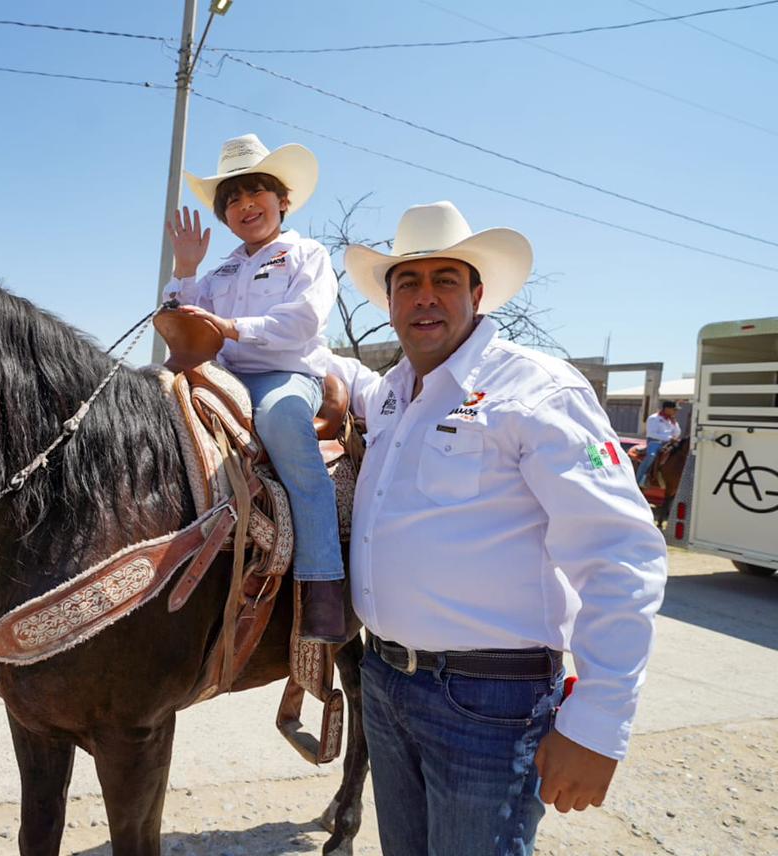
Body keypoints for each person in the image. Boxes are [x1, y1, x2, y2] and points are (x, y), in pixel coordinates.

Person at [329, 200, 668, 855]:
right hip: (387, 683)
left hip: (489, 704)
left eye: (444, 280)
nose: (424, 297)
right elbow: (340, 372)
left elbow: (619, 552)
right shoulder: (398, 392)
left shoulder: (536, 389)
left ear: (477, 294)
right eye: (408, 282)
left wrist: (598, 721)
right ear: (390, 301)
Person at [162, 133, 347, 643]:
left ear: (282, 201)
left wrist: (230, 328)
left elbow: (302, 322)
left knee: (285, 422)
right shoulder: (220, 269)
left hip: (285, 374)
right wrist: (185, 269)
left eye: (256, 193)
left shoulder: (307, 254)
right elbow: (182, 315)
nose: (245, 206)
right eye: (233, 200)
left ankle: (323, 587)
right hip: (222, 374)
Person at [636, 400, 682, 486]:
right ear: (666, 409)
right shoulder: (654, 418)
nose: (676, 412)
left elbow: (677, 433)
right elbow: (651, 433)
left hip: (669, 443)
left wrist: (675, 424)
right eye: (674, 409)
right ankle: (638, 480)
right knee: (651, 456)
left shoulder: (671, 420)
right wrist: (669, 438)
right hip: (655, 442)